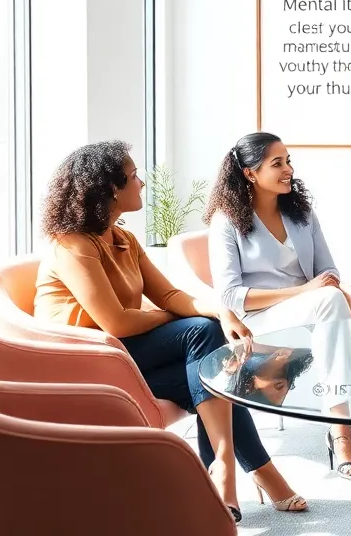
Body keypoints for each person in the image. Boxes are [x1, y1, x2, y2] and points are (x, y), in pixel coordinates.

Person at [32, 141, 307, 522]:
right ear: (109, 188)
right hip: (88, 358)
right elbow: (116, 322)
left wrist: (222, 311)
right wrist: (173, 319)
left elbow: (169, 294)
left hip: (125, 353)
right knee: (201, 338)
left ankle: (226, 481)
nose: (141, 183)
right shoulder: (74, 244)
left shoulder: (123, 239)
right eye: (132, 177)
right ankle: (240, 470)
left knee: (210, 376)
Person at [204, 131, 351, 481]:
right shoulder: (226, 221)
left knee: (329, 299)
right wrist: (303, 291)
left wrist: (325, 287)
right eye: (277, 163)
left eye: (288, 161)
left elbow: (328, 269)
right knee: (326, 300)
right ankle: (341, 429)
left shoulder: (301, 213)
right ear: (250, 173)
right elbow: (230, 294)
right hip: (258, 321)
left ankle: (340, 426)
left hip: (312, 308)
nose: (288, 169)